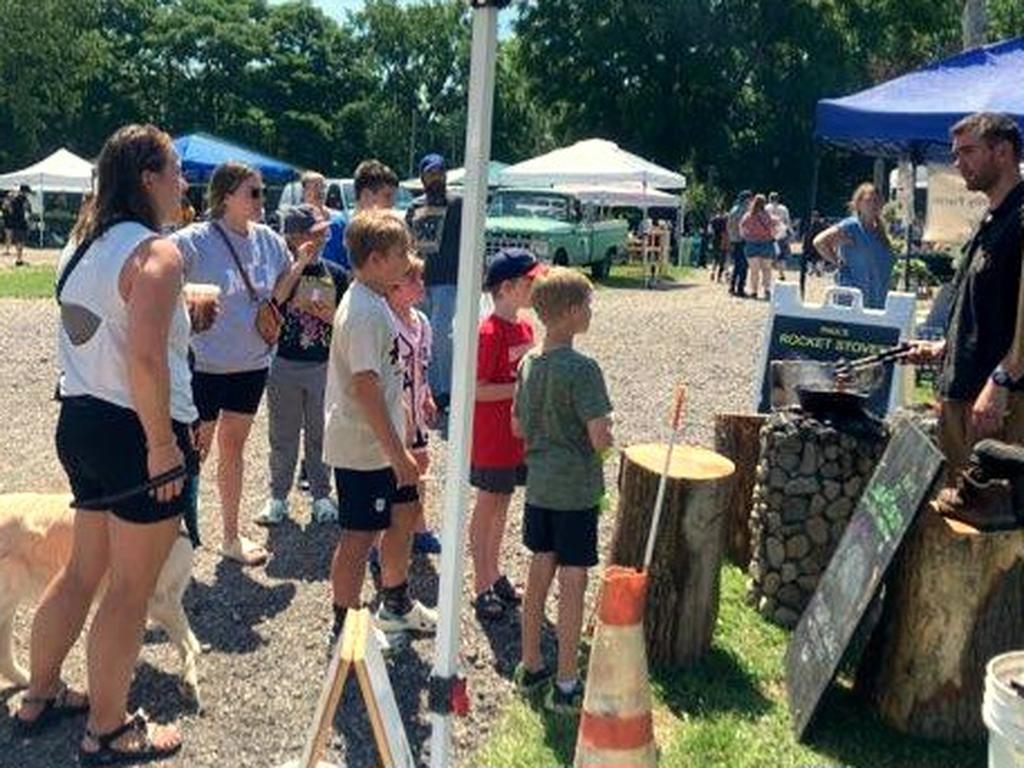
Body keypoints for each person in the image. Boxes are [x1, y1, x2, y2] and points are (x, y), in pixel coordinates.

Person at [14, 124, 193, 763]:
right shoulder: (155, 254)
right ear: (147, 177)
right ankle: (110, 727)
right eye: (174, 170)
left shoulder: (79, 245)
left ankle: (39, 694)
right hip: (133, 430)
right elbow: (146, 360)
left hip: (81, 421)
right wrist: (162, 445)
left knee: (82, 569)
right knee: (127, 589)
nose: (183, 183)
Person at [171, 162, 295, 566]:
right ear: (226, 197)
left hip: (252, 362)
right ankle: (173, 535)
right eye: (253, 192)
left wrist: (299, 266)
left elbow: (278, 291)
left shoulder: (271, 242)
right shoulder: (193, 241)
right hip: (204, 364)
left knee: (234, 448)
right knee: (194, 453)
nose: (262, 199)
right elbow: (156, 275)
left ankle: (229, 535)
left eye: (262, 191)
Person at [324, 209, 437, 646]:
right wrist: (397, 454)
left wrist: (405, 440)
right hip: (363, 448)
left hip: (388, 444)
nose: (408, 261)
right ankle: (346, 626)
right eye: (399, 253)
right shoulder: (364, 313)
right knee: (360, 535)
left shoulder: (376, 302)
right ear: (373, 260)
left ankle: (395, 602)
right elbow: (366, 388)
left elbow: (390, 384)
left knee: (404, 515)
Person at [513, 267, 613, 713]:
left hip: (539, 487)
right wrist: (609, 437)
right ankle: (567, 682)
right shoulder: (584, 369)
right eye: (588, 305)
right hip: (575, 490)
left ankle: (531, 663)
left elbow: (518, 425)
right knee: (573, 580)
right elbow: (598, 437)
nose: (591, 312)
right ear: (572, 313)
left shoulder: (529, 362)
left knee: (539, 569)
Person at [908, 113, 1024, 482]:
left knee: (996, 521)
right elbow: (987, 306)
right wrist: (948, 346)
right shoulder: (991, 219)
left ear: (1003, 151)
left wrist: (1002, 380)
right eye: (955, 154)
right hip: (963, 395)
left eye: (968, 152)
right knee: (958, 512)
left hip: (998, 405)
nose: (958, 163)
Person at [256, 205, 348, 527]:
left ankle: (322, 496)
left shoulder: (336, 273)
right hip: (284, 363)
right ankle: (277, 497)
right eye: (314, 232)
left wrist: (326, 314)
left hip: (323, 365)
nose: (322, 237)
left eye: (324, 232)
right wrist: (299, 265)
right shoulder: (284, 271)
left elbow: (347, 323)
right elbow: (275, 301)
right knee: (282, 434)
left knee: (320, 433)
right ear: (294, 237)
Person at [470, 248, 544, 622]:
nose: (534, 287)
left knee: (501, 506)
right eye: (528, 282)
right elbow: (477, 389)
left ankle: (494, 572)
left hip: (516, 436)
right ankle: (480, 584)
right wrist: (521, 388)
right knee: (488, 506)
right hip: (491, 437)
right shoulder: (488, 331)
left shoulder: (526, 328)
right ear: (506, 287)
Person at [384, 255, 439, 555]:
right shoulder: (385, 321)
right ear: (392, 287)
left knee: (421, 463)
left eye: (421, 278)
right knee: (393, 471)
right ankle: (384, 542)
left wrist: (427, 394)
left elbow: (423, 365)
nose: (420, 285)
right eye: (412, 279)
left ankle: (418, 527)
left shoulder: (421, 321)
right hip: (394, 411)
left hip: (415, 408)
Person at [406, 153, 463, 420]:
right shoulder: (414, 207)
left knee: (441, 335)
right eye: (430, 173)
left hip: (449, 279)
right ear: (423, 177)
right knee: (420, 336)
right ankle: (424, 389)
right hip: (420, 281)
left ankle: (445, 391)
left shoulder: (459, 203)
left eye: (439, 173)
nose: (435, 178)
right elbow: (407, 244)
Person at [813, 182, 894, 309]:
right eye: (869, 201)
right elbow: (819, 242)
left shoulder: (880, 231)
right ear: (858, 204)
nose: (873, 205)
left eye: (877, 201)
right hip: (851, 299)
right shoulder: (851, 227)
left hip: (876, 298)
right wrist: (837, 262)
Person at [740, 194, 776, 300]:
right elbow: (773, 227)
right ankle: (767, 290)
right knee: (766, 269)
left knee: (754, 270)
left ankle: (754, 291)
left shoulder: (748, 215)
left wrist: (747, 236)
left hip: (751, 244)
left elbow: (741, 228)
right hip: (766, 243)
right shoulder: (767, 215)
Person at [726, 190, 751, 297]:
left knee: (737, 264)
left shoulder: (733, 209)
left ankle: (732, 286)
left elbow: (729, 226)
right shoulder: (745, 211)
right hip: (743, 240)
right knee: (744, 265)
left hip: (734, 240)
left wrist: (732, 237)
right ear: (746, 199)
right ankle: (740, 288)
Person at [800, 210, 827, 299]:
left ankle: (813, 270)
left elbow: (804, 235)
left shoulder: (808, 225)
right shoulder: (821, 225)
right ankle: (818, 270)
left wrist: (804, 245)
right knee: (818, 257)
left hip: (810, 244)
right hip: (817, 244)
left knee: (812, 258)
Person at [765, 191, 792, 280]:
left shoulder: (766, 208)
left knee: (768, 255)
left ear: (769, 199)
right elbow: (787, 221)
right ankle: (781, 273)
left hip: (769, 234)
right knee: (782, 255)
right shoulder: (783, 209)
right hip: (781, 234)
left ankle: (767, 273)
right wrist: (790, 232)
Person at [8, 184, 33, 266]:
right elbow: (14, 212)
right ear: (23, 192)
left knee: (20, 242)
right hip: (19, 223)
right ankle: (19, 259)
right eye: (27, 192)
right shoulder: (18, 200)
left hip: (20, 223)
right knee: (19, 241)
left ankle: (19, 258)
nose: (27, 194)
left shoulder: (21, 200)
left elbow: (28, 210)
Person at [708, 209, 728, 283]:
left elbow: (709, 230)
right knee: (722, 260)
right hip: (722, 240)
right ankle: (719, 276)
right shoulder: (724, 220)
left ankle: (712, 272)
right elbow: (724, 232)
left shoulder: (712, 220)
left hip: (714, 240)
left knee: (715, 258)